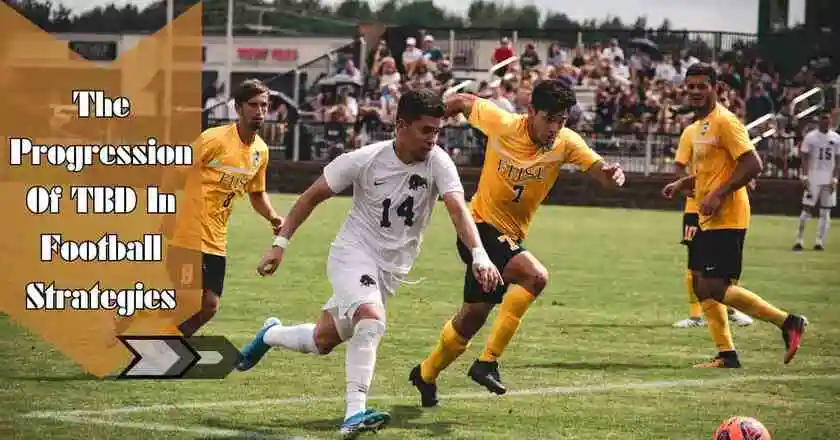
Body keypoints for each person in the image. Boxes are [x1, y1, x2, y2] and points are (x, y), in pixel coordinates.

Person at [235, 89, 503, 438]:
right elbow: (311, 197)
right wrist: (279, 244)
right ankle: (354, 414)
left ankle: (270, 334)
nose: (432, 139)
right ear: (401, 126)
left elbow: (457, 209)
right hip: (352, 254)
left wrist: (479, 254)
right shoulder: (363, 159)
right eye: (426, 130)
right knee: (372, 320)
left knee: (323, 339)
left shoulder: (439, 161)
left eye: (437, 131)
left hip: (389, 271)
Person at [409, 79, 626, 408]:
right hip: (478, 229)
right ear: (530, 112)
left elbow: (599, 171)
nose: (554, 128)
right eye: (549, 119)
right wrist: (429, 126)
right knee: (535, 276)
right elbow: (464, 101)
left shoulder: (566, 143)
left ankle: (425, 374)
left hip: (509, 238)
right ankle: (487, 362)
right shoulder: (503, 124)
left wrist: (611, 175)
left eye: (561, 121)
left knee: (470, 319)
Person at [662, 63, 808, 368]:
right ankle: (726, 354)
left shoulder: (726, 122)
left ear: (717, 88)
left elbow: (753, 165)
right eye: (691, 86)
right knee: (701, 284)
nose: (696, 92)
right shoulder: (701, 126)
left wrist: (717, 194)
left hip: (728, 216)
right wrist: (682, 184)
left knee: (715, 286)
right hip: (707, 217)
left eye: (703, 86)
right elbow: (711, 174)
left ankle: (788, 322)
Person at [115, 79, 284, 338]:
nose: (260, 111)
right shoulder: (213, 139)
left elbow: (257, 193)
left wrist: (272, 217)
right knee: (184, 300)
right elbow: (172, 174)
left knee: (208, 307)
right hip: (188, 230)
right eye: (253, 105)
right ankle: (159, 346)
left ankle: (162, 338)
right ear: (238, 108)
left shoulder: (260, 150)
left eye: (264, 105)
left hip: (217, 238)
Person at [671, 139, 753, 329]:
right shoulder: (692, 131)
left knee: (726, 267)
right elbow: (679, 166)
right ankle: (695, 315)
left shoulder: (726, 127)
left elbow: (745, 164)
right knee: (695, 264)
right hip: (694, 210)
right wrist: (686, 187)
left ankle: (730, 310)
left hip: (724, 209)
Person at [793, 113, 839, 251]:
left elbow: (838, 161)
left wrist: (835, 179)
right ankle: (799, 239)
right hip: (813, 177)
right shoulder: (811, 137)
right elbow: (805, 158)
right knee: (806, 209)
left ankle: (819, 241)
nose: (826, 124)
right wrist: (805, 177)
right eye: (824, 121)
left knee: (825, 211)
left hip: (829, 178)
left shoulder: (836, 138)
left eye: (828, 121)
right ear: (819, 122)